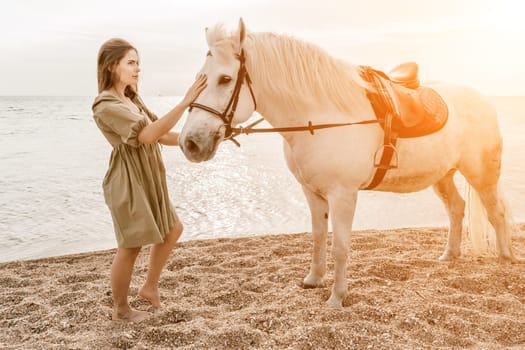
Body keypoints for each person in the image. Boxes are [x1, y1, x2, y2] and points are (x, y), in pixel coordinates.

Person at [92, 38, 207, 322]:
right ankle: (121, 309)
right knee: (130, 246)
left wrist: (197, 139)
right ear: (111, 65)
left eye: (138, 63)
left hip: (150, 175)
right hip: (129, 179)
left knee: (172, 229)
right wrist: (185, 102)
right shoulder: (104, 104)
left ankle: (149, 287)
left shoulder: (131, 98)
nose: (137, 69)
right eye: (130, 62)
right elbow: (146, 136)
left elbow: (160, 133)